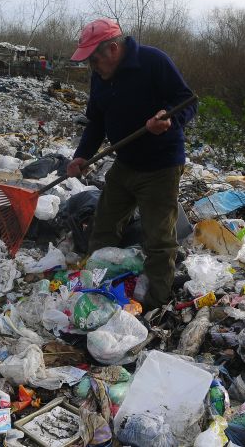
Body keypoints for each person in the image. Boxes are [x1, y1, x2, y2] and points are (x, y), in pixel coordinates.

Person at [66, 18, 197, 310]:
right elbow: (96, 120)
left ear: (113, 49)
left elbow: (187, 102)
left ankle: (152, 306)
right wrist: (82, 155)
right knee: (103, 226)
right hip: (125, 164)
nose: (92, 67)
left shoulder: (153, 62)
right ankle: (95, 287)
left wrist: (168, 119)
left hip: (160, 167)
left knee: (159, 240)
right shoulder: (100, 76)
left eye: (94, 59)